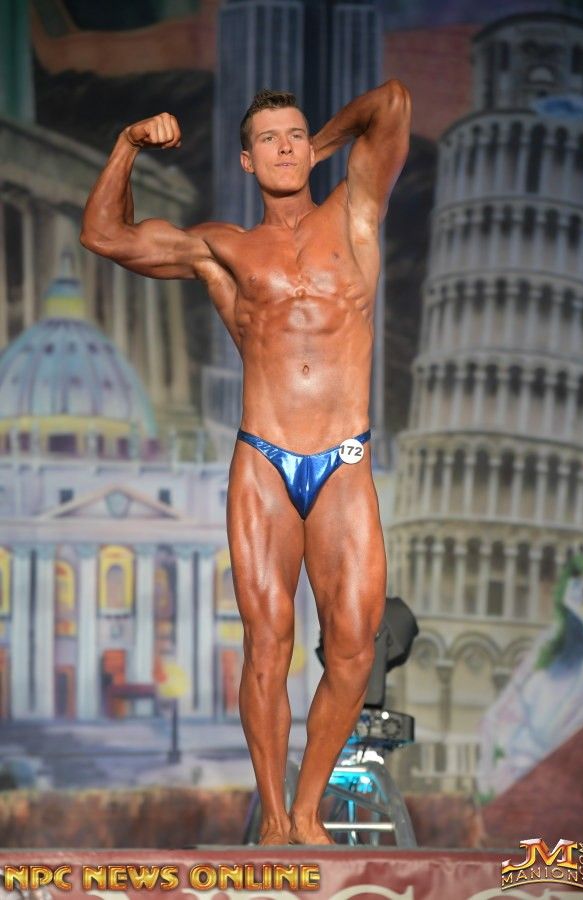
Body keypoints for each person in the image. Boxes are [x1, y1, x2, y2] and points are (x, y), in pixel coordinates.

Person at [80, 80, 411, 845]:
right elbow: (105, 235)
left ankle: (308, 808)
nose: (286, 147)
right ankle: (275, 816)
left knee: (354, 648)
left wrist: (319, 146)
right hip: (264, 458)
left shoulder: (355, 211)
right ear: (246, 160)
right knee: (268, 642)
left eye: (295, 134)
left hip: (343, 456)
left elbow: (392, 102)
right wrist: (128, 144)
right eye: (270, 139)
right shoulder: (221, 248)